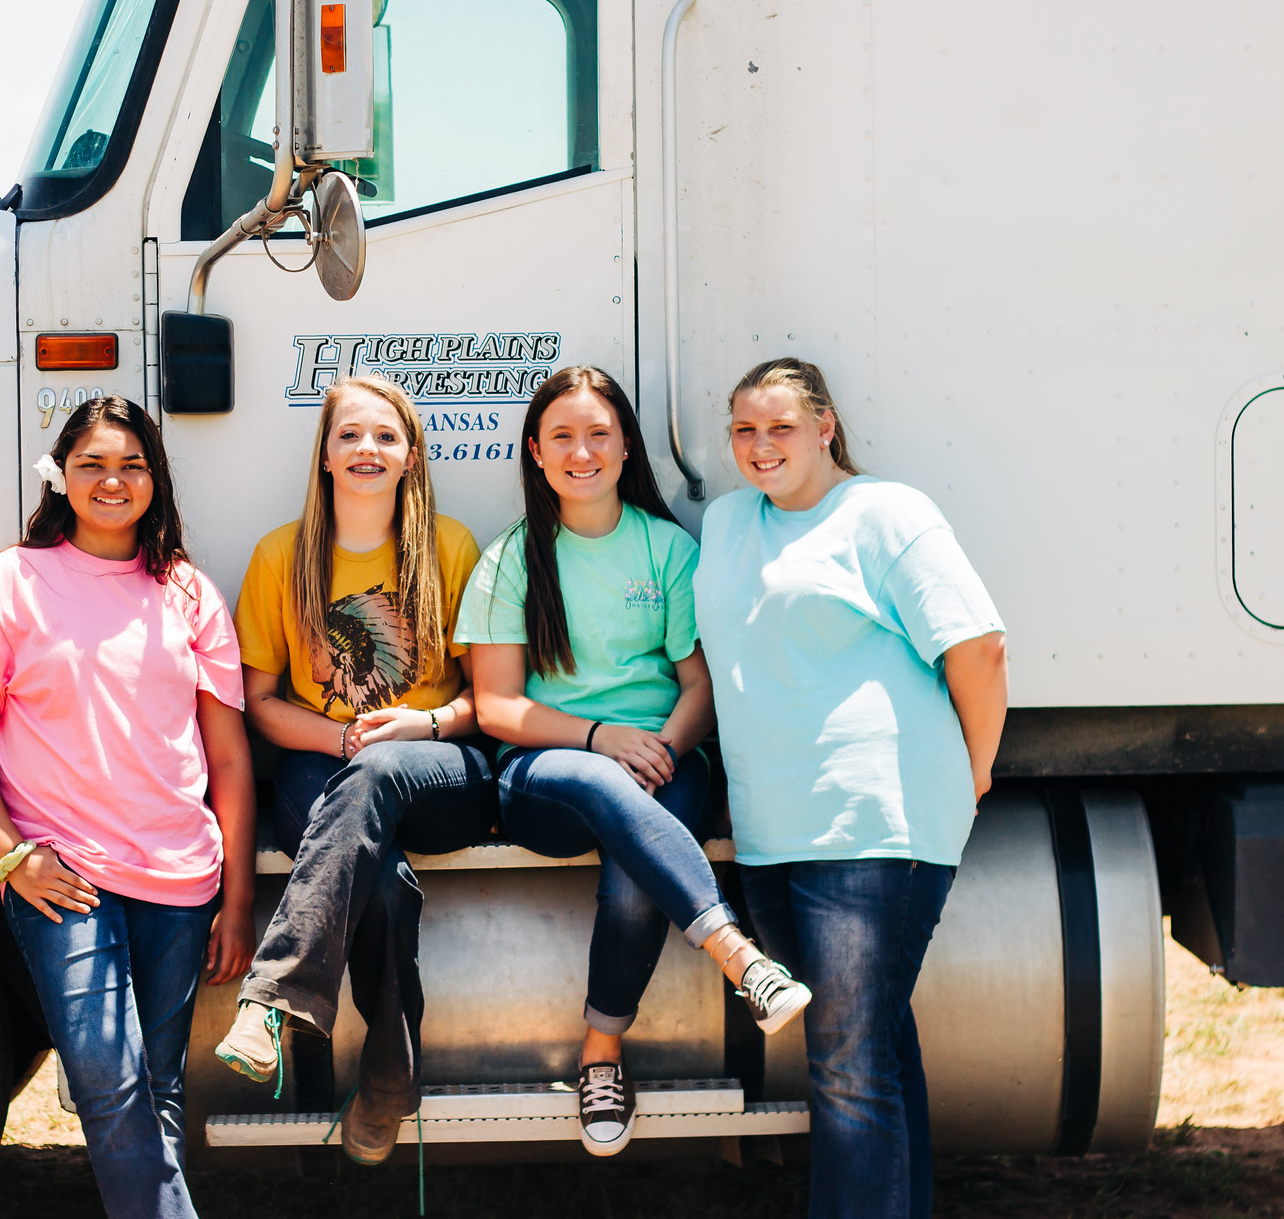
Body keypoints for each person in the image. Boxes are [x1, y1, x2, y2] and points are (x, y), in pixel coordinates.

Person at [457, 365, 810, 1159]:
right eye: (561, 436)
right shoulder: (512, 557)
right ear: (535, 452)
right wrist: (599, 738)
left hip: (663, 761)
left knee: (632, 877)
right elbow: (496, 707)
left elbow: (699, 684)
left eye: (598, 434)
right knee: (594, 778)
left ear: (625, 448)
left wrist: (662, 749)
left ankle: (600, 1052)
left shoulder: (666, 548)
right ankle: (738, 955)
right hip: (547, 770)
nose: (580, 451)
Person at [694, 357, 1007, 1219]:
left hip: (873, 825)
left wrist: (976, 767)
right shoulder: (726, 521)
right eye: (744, 429)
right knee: (872, 1054)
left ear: (825, 427)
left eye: (781, 427)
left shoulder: (884, 512)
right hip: (772, 830)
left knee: (844, 1068)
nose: (760, 445)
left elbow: (977, 647)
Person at [0, 395, 255, 1219]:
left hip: (179, 877)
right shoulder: (12, 580)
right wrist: (9, 853)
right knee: (108, 1080)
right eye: (93, 464)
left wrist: (237, 898)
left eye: (131, 464)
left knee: (157, 1087)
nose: (113, 480)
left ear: (155, 477)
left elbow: (227, 755)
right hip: (61, 874)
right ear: (62, 476)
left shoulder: (188, 591)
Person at [212, 376, 492, 1164]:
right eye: (349, 435)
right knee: (385, 882)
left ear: (410, 457)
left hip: (439, 764)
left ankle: (271, 996)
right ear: (326, 455)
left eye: (385, 436)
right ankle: (389, 1075)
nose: (367, 448)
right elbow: (258, 701)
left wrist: (416, 725)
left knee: (378, 772)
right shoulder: (280, 554)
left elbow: (489, 699)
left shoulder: (451, 546)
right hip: (321, 762)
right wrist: (342, 739)